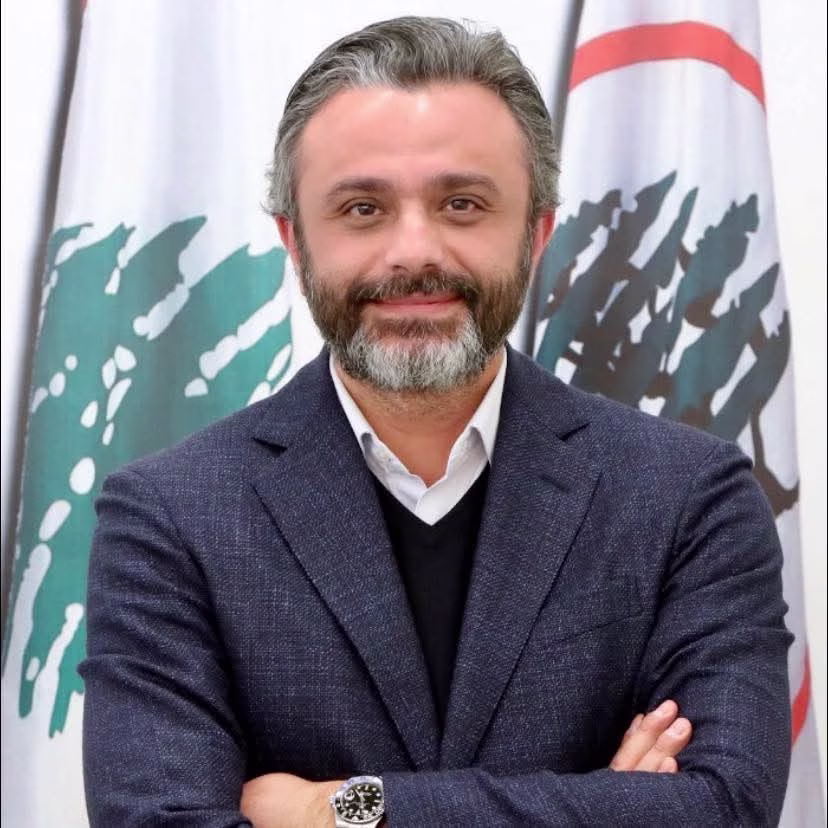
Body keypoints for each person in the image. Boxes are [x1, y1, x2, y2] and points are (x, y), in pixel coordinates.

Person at [80, 15, 792, 827]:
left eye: (462, 203)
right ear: (295, 242)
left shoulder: (690, 498)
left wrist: (335, 811)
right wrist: (612, 805)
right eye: (362, 208)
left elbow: (724, 809)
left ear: (536, 234)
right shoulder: (169, 519)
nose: (414, 252)